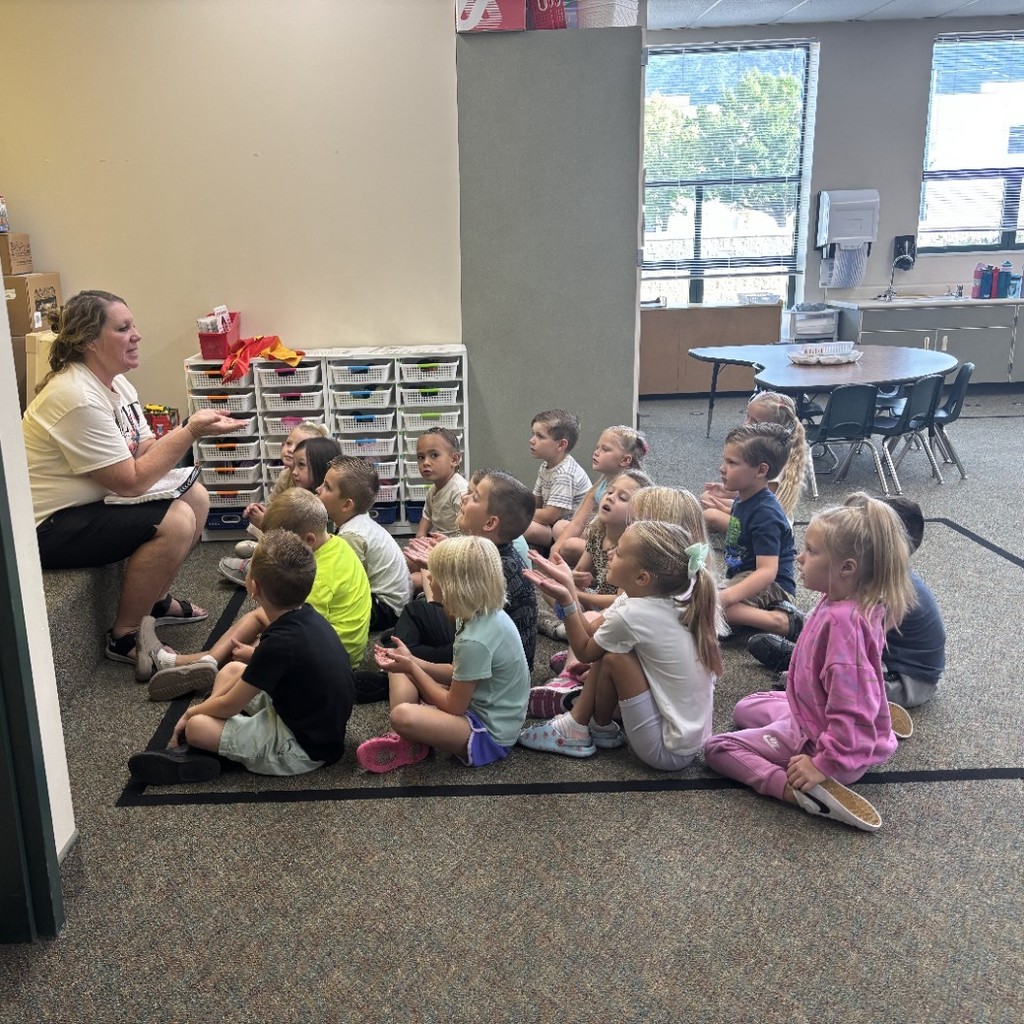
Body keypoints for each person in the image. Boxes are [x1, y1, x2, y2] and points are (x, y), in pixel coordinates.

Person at [21, 289, 240, 665]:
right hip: (46, 527)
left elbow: (144, 449)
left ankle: (155, 602)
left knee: (197, 497)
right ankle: (124, 637)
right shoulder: (76, 397)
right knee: (176, 519)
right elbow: (132, 481)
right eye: (123, 329)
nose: (136, 335)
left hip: (92, 503)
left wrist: (186, 431)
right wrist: (190, 431)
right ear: (90, 341)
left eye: (133, 326)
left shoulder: (117, 384)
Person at [704, 497, 914, 832]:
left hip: (825, 749)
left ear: (847, 568)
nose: (799, 558)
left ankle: (796, 793)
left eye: (811, 551)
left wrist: (823, 763)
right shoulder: (845, 600)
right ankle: (874, 727)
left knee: (718, 748)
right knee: (745, 708)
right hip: (814, 718)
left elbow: (850, 707)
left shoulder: (844, 627)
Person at [127, 529, 355, 785]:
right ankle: (218, 740)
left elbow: (230, 705)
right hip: (309, 723)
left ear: (253, 587)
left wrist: (190, 714)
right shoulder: (308, 616)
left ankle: (204, 749)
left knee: (197, 727)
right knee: (232, 669)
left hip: (302, 750)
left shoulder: (278, 644)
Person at [519, 521, 720, 770]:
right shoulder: (659, 596)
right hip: (682, 736)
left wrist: (568, 601)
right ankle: (598, 727)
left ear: (642, 577)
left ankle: (576, 726)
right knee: (611, 647)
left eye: (620, 552)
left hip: (667, 751)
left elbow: (584, 651)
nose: (610, 553)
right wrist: (570, 587)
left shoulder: (636, 612)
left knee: (614, 655)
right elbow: (591, 632)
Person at [138, 487, 371, 699]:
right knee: (259, 619)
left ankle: (184, 663)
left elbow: (299, 638)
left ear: (308, 540)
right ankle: (205, 661)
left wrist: (256, 653)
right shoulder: (335, 545)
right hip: (330, 645)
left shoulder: (318, 581)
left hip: (328, 662)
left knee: (257, 638)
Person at [746, 493, 946, 709]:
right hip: (881, 657)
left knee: (835, 675)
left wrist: (806, 680)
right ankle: (803, 646)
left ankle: (801, 655)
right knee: (825, 622)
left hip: (905, 681)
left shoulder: (880, 594)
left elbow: (859, 667)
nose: (800, 557)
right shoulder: (875, 575)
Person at [355, 469, 538, 703]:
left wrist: (441, 570)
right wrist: (446, 556)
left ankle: (397, 677)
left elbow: (459, 618)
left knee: (400, 647)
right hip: (472, 632)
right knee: (415, 612)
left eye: (474, 497)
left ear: (490, 523)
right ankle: (405, 666)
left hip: (490, 662)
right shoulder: (484, 550)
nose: (464, 498)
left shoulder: (491, 568)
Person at [355, 535, 531, 774]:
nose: (428, 578)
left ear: (454, 587)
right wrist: (411, 661)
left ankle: (410, 738)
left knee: (402, 715)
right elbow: (457, 671)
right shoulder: (478, 613)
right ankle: (411, 739)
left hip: (488, 734)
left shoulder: (475, 640)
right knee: (401, 662)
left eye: (435, 574)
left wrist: (413, 668)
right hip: (474, 703)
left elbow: (453, 706)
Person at [717, 422, 803, 641]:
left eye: (732, 463)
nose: (722, 468)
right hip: (744, 576)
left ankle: (781, 621)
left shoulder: (766, 514)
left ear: (761, 470)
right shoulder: (744, 497)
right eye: (724, 460)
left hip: (774, 587)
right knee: (695, 599)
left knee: (710, 609)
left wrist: (726, 598)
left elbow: (767, 572)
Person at [219, 435, 342, 585]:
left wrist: (266, 523)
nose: (294, 472)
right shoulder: (298, 489)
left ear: (319, 468)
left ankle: (255, 569)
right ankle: (259, 554)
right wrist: (268, 515)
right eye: (294, 466)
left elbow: (298, 544)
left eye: (301, 465)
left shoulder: (319, 506)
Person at [316, 455, 413, 631]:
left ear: (346, 505)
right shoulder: (356, 521)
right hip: (396, 601)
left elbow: (345, 582)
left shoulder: (352, 535)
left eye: (327, 487)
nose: (318, 489)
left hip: (386, 609)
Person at [701, 391, 808, 534]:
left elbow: (761, 503)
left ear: (772, 427)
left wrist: (725, 508)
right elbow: (753, 492)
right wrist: (726, 491)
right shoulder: (762, 449)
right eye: (747, 416)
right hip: (755, 511)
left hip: (765, 526)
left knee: (710, 515)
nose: (746, 423)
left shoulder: (773, 459)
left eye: (755, 421)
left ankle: (732, 535)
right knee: (706, 498)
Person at [551, 424, 649, 565]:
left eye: (605, 449)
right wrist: (553, 551)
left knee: (569, 545)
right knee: (560, 527)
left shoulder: (633, 487)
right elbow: (578, 522)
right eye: (598, 447)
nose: (596, 453)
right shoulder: (604, 481)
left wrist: (556, 554)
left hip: (620, 546)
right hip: (601, 535)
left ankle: (601, 570)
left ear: (625, 460)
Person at [236, 419, 330, 554]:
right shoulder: (286, 476)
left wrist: (266, 524)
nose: (290, 450)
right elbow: (273, 506)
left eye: (299, 446)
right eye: (289, 443)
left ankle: (267, 553)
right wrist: (262, 512)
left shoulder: (320, 491)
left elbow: (305, 531)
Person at [523, 409, 592, 549]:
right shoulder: (545, 466)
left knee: (523, 527)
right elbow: (536, 502)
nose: (532, 440)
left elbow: (549, 516)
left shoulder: (565, 473)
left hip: (566, 530)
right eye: (533, 434)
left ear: (561, 445)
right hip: (552, 525)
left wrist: (518, 513)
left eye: (540, 436)